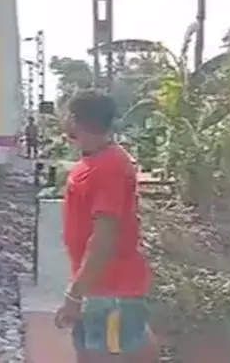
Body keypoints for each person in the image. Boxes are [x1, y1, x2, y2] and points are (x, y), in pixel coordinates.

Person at [54, 90, 156, 362]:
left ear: (74, 120)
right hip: (102, 289)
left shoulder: (107, 168)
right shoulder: (98, 161)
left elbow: (104, 240)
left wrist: (74, 296)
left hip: (110, 292)